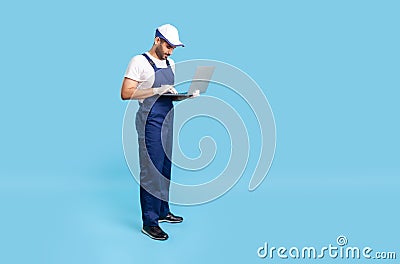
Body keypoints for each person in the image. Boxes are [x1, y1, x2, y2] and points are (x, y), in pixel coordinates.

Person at [121, 24, 198, 241]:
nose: (170, 51)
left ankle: (163, 211)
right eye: (168, 46)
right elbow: (125, 93)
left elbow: (166, 93)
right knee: (151, 170)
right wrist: (155, 90)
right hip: (150, 119)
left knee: (165, 166)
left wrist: (182, 96)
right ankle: (150, 221)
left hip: (168, 117)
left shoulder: (170, 62)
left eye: (174, 47)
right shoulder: (139, 61)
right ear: (157, 40)